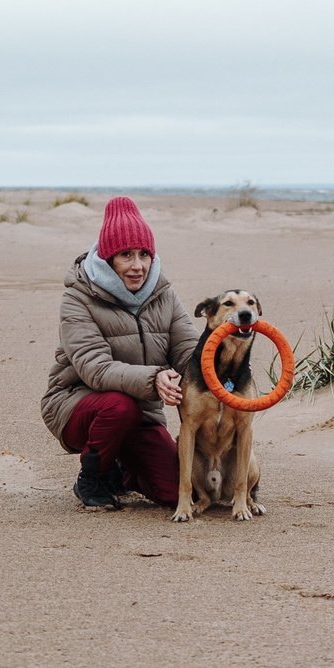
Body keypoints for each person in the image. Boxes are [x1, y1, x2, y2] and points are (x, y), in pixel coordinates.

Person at [41, 196, 200, 509]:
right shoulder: (77, 298)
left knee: (177, 492)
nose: (138, 266)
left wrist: (221, 370)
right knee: (120, 407)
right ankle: (91, 479)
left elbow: (188, 351)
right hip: (79, 404)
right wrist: (154, 379)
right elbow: (95, 369)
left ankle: (122, 471)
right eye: (126, 255)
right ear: (108, 258)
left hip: (143, 416)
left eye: (144, 255)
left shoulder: (164, 293)